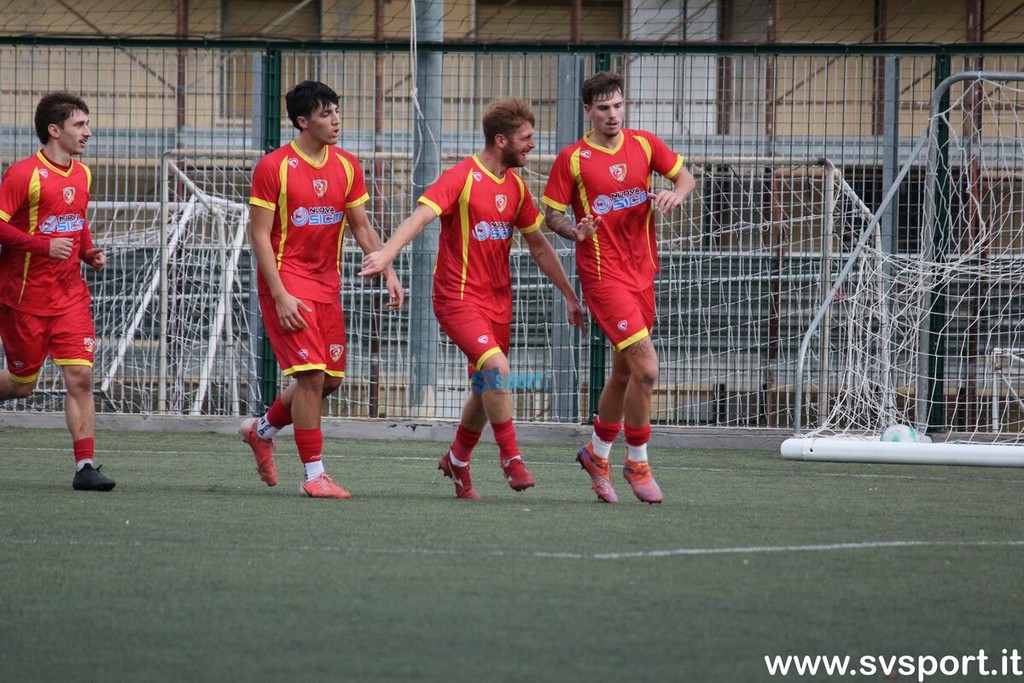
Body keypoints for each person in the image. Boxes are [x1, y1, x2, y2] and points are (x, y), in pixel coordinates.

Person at [360, 97, 587, 500]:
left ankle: (457, 460)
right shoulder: (462, 176)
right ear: (501, 140)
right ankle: (511, 458)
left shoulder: (515, 186)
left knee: (485, 386)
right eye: (526, 138)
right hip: (456, 298)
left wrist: (569, 294)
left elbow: (538, 245)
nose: (532, 144)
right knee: (496, 369)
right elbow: (421, 217)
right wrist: (388, 253)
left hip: (498, 303)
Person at [239, 80, 404, 499]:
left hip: (327, 285)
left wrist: (387, 268)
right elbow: (259, 236)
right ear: (302, 121)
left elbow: (361, 226)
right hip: (287, 282)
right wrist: (279, 294)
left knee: (328, 381)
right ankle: (314, 476)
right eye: (325, 113)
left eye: (336, 111)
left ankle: (261, 431)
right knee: (311, 375)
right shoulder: (273, 167)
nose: (336, 120)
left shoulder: (347, 166)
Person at [542, 71, 696, 504]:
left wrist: (677, 194)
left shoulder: (644, 145)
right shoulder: (573, 159)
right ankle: (638, 462)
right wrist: (575, 230)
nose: (612, 114)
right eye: (603, 108)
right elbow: (551, 214)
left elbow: (685, 178)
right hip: (603, 277)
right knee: (647, 369)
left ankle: (597, 453)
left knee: (624, 372)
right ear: (588, 111)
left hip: (643, 273)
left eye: (618, 105)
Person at [0, 91, 113, 491]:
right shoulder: (23, 174)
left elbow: (75, 221)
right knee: (22, 385)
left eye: (87, 124)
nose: (88, 132)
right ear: (54, 130)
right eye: (80, 125)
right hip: (23, 301)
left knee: (80, 377)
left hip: (69, 299)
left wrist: (87, 252)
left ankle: (86, 466)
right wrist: (42, 247)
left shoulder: (82, 175)